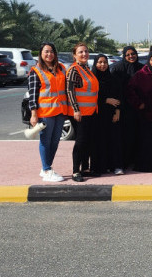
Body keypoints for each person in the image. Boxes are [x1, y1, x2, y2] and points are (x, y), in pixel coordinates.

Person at [28, 42, 70, 182]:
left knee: (55, 141)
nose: (49, 54)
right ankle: (47, 170)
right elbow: (32, 94)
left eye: (51, 51)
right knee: (46, 141)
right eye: (46, 51)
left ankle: (46, 167)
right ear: (41, 54)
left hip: (60, 111)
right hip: (45, 112)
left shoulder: (61, 68)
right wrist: (33, 114)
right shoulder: (36, 70)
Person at [126, 51, 152, 172]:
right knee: (146, 142)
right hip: (146, 115)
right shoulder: (141, 74)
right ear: (149, 61)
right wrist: (139, 104)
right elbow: (130, 90)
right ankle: (145, 166)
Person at [65, 42, 99, 182]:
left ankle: (85, 168)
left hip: (90, 112)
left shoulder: (86, 69)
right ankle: (75, 171)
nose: (84, 54)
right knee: (80, 141)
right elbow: (70, 90)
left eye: (85, 51)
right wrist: (76, 110)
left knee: (88, 141)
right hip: (80, 113)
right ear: (75, 55)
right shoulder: (74, 70)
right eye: (80, 52)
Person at [90, 54, 124, 176]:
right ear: (95, 64)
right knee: (100, 141)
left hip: (112, 114)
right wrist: (105, 100)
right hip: (98, 115)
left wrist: (118, 112)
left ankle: (116, 166)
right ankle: (101, 166)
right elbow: (90, 96)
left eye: (105, 62)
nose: (103, 65)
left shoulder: (113, 78)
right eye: (100, 62)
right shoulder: (92, 79)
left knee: (115, 140)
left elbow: (119, 96)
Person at [110, 46, 143, 170]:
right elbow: (115, 89)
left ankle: (134, 161)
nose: (131, 56)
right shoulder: (118, 68)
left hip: (137, 108)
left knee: (136, 135)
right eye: (128, 54)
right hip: (122, 108)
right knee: (122, 136)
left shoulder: (141, 68)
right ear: (124, 56)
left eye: (133, 54)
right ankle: (121, 162)